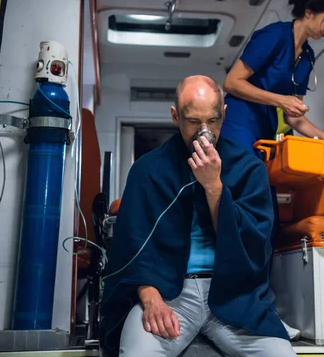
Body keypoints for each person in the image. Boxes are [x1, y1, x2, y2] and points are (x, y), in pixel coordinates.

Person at [99, 75, 296, 356]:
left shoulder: (249, 169)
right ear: (175, 116)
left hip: (234, 293)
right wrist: (151, 299)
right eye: (193, 122)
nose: (205, 132)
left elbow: (255, 242)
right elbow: (131, 247)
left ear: (224, 114)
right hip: (169, 293)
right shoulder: (148, 170)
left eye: (213, 121)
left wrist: (214, 186)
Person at [221, 0, 324, 155]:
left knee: (262, 180)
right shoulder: (274, 36)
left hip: (265, 131)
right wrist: (281, 100)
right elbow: (231, 82)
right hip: (238, 123)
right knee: (245, 176)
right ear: (309, 13)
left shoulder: (307, 56)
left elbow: (294, 117)